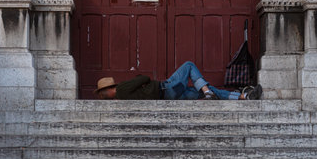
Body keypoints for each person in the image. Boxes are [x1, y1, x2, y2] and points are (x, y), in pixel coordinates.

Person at [94, 61, 262, 100]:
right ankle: (207, 92)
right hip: (166, 88)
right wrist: (139, 79)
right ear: (110, 88)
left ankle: (242, 97)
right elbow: (145, 78)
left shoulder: (122, 98)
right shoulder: (122, 88)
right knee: (189, 65)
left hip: (167, 98)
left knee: (205, 89)